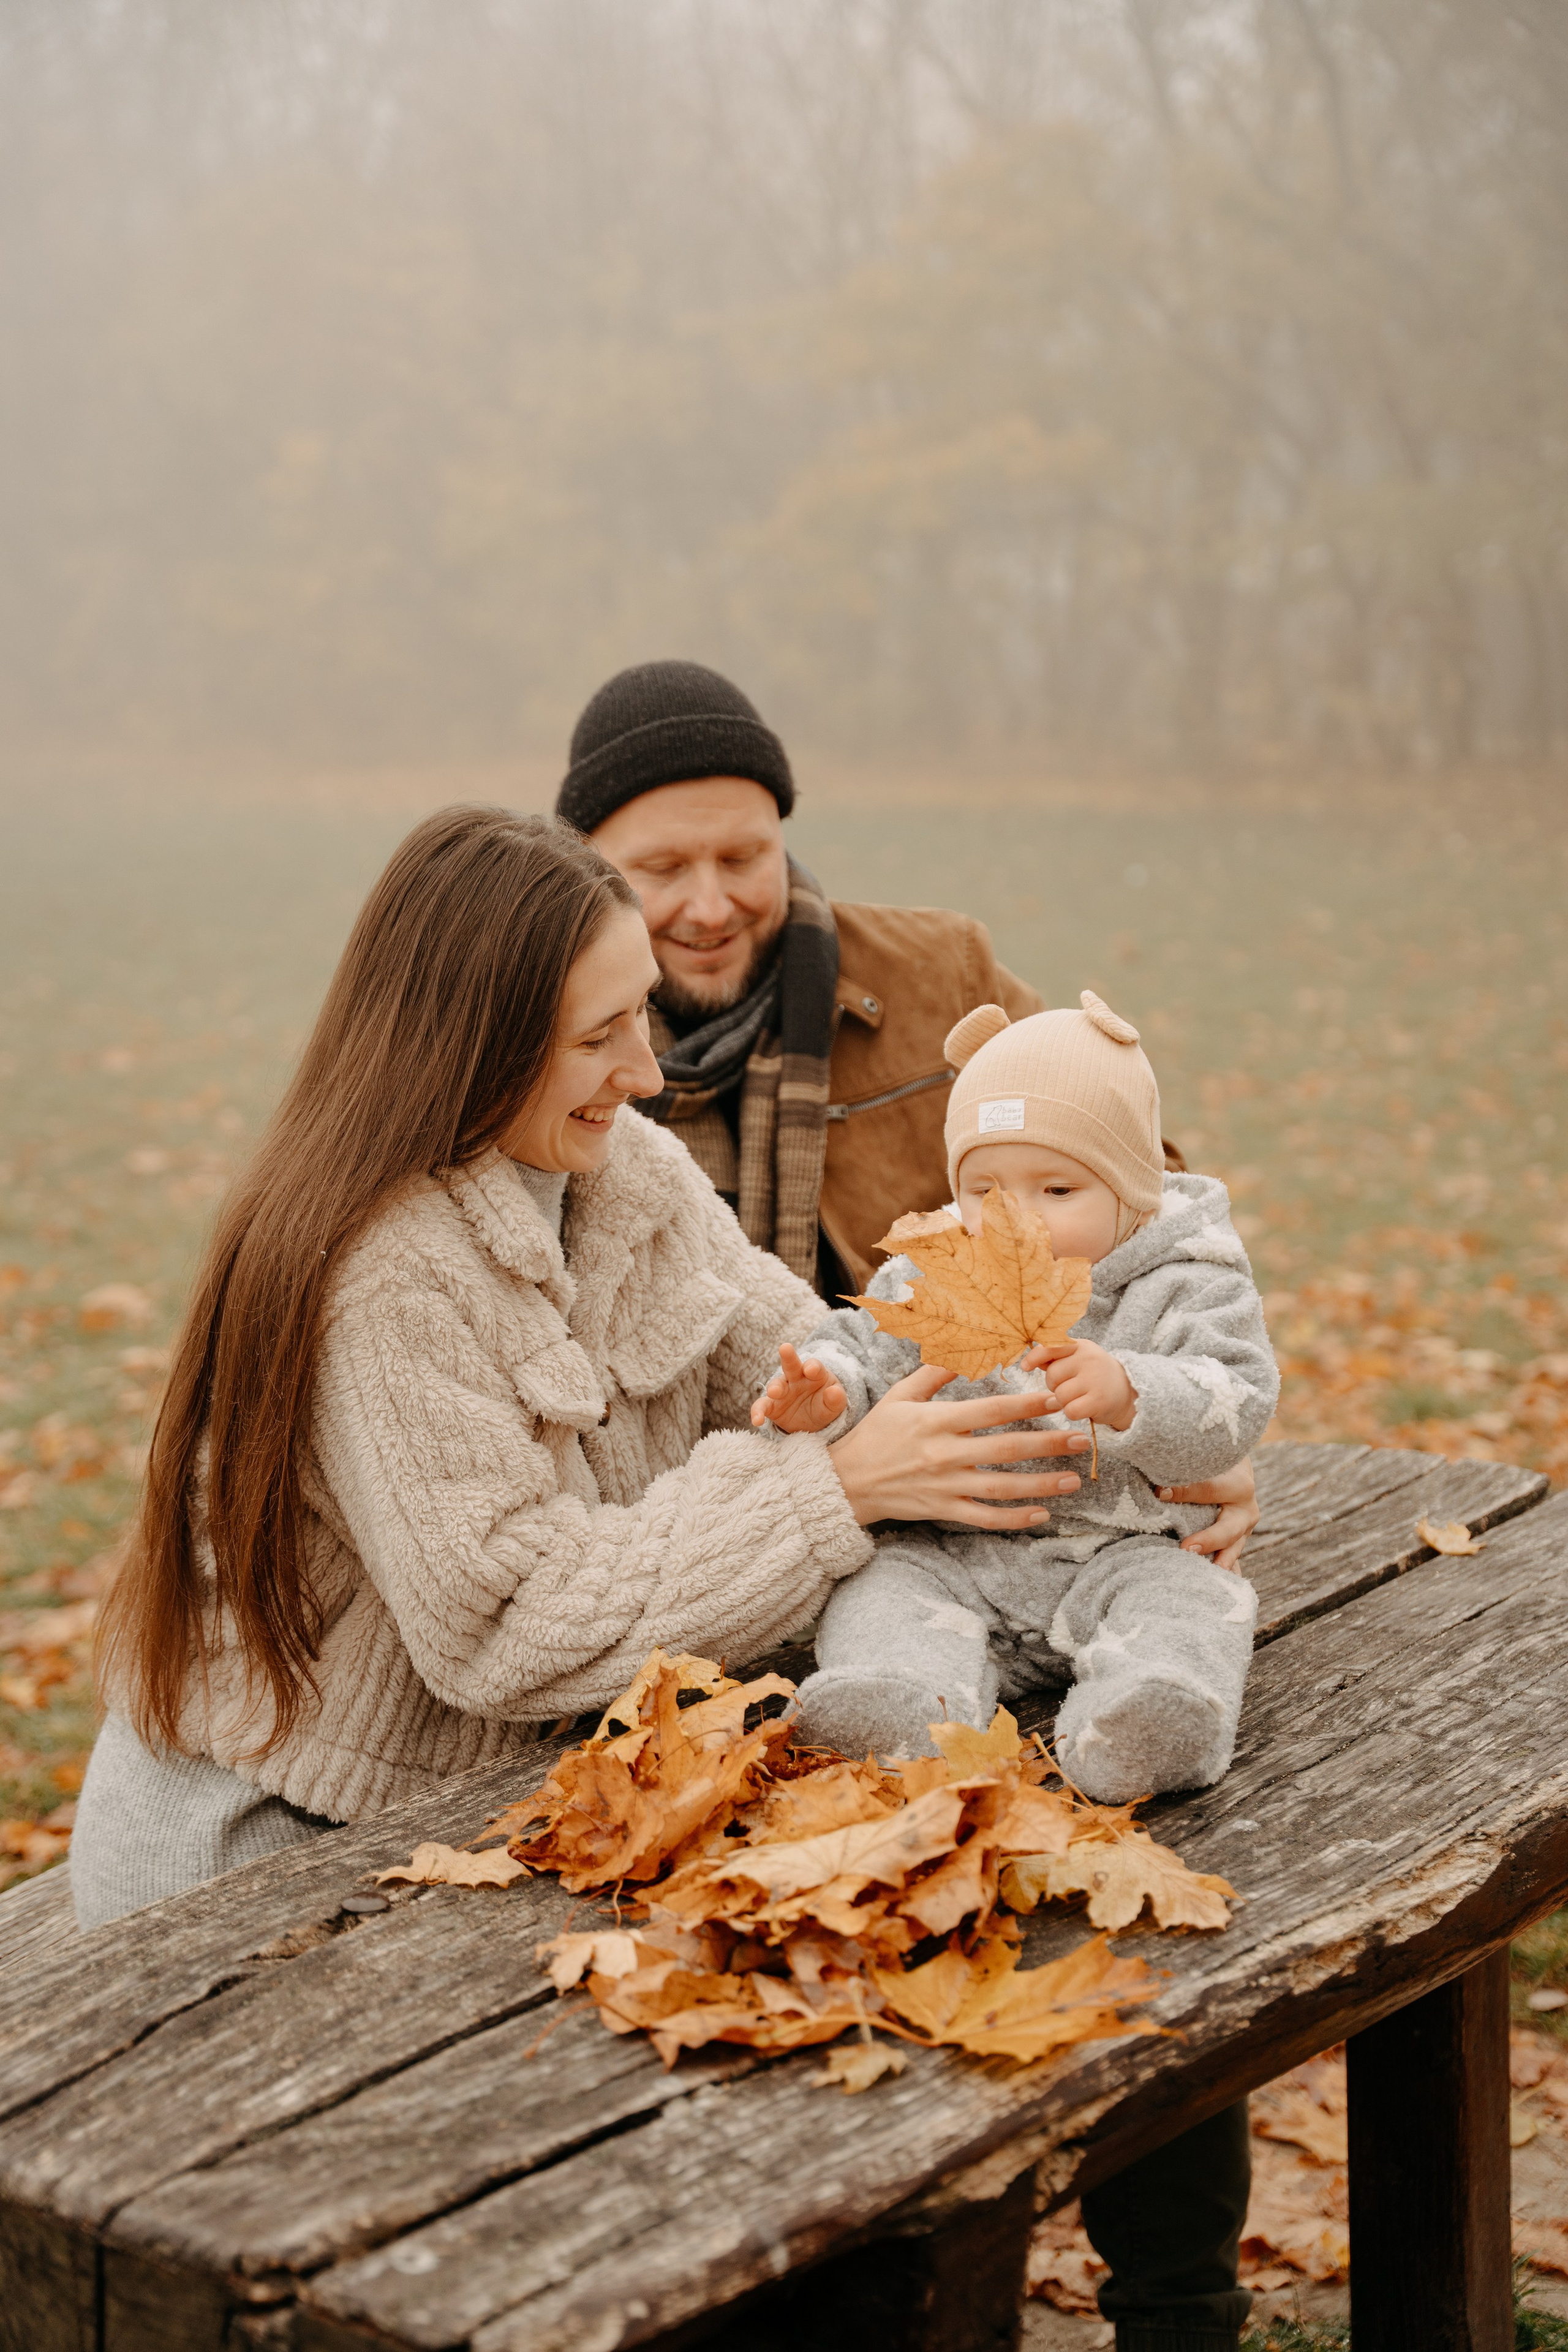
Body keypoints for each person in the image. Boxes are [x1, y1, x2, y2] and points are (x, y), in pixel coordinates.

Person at [73, 807, 1091, 1930]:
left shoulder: (626, 1177)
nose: (648, 1074)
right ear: (475, 1044)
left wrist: (1120, 1450)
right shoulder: (379, 1274)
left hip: (498, 1801)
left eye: (642, 1011)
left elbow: (842, 1368)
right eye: (600, 1035)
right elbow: (508, 1625)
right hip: (265, 1854)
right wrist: (833, 1494)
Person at [557, 656, 1259, 1575]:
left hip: (991, 1518)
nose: (711, 903)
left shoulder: (939, 975)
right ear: (585, 872)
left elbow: (1137, 1205)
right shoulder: (547, 1059)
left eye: (742, 858)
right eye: (661, 868)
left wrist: (1184, 1425)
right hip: (692, 1531)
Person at [755, 990, 1278, 1801]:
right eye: (987, 1189)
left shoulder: (1186, 1275)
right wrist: (829, 1398)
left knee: (1193, 1600)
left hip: (1125, 1550)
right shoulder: (939, 1269)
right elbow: (866, 1349)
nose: (1018, 1221)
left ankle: (1146, 1721)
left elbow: (1237, 1393)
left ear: (1133, 1190)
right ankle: (902, 1709)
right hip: (955, 1556)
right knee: (880, 1589)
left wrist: (1133, 1391)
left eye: (1057, 1191)